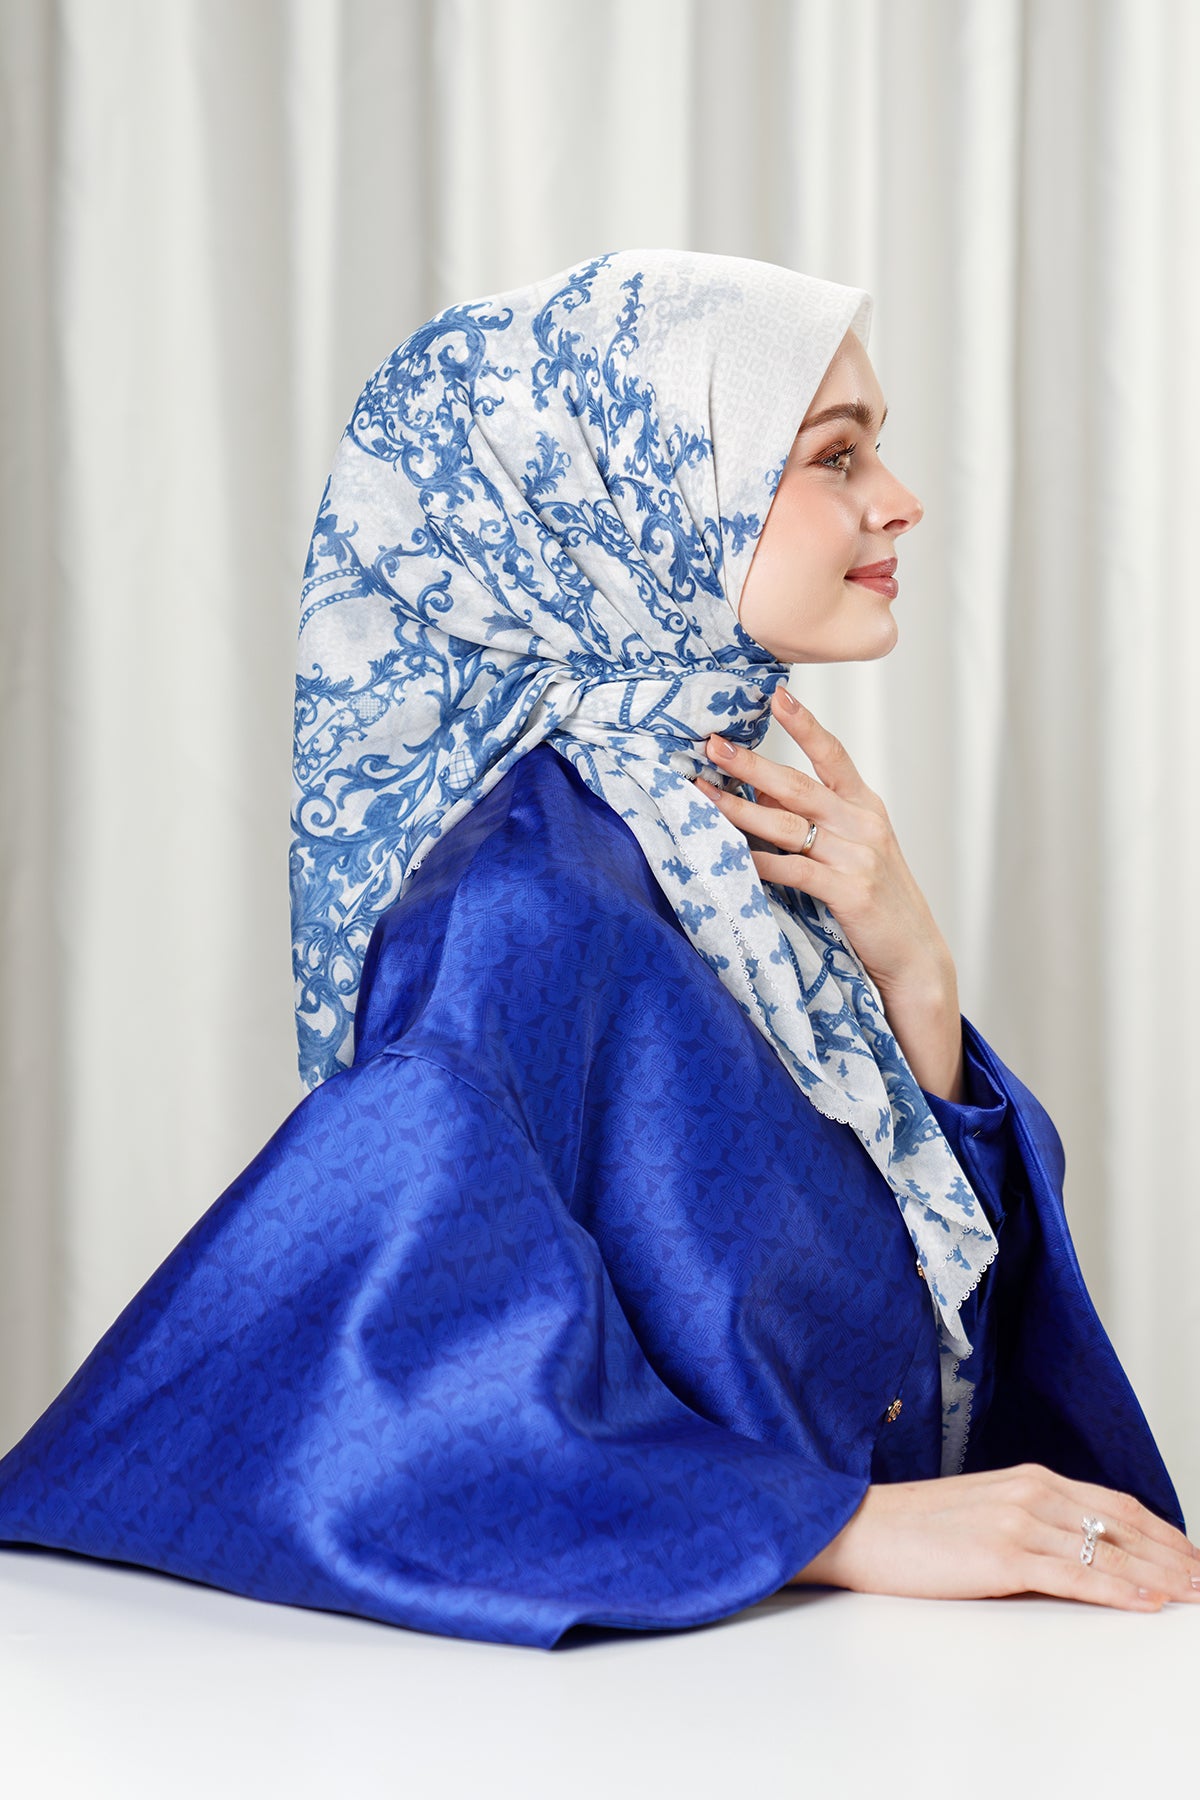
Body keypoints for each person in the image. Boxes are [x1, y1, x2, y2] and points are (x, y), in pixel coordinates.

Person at [0, 249, 1195, 1649]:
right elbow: (379, 1400)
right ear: (634, 502)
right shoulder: (522, 903)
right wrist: (842, 1528)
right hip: (667, 1716)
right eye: (836, 455)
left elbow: (926, 1327)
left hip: (871, 1682)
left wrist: (916, 977)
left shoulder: (736, 840)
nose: (900, 499)